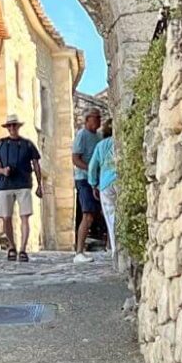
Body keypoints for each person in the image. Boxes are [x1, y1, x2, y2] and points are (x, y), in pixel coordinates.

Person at [0, 114, 43, 262]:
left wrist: (40, 185)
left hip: (23, 184)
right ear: (7, 128)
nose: (12, 128)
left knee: (25, 217)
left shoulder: (28, 144)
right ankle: (12, 247)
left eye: (14, 125)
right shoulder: (0, 144)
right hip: (5, 185)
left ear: (18, 127)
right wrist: (3, 171)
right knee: (6, 218)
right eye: (10, 126)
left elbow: (36, 165)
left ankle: (23, 249)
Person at [72, 109, 103, 264]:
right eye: (96, 118)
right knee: (87, 214)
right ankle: (78, 252)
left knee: (98, 214)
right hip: (84, 180)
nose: (99, 120)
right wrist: (90, 169)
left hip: (96, 179)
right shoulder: (82, 135)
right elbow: (75, 159)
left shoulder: (99, 137)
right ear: (87, 120)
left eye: (99, 118)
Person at [88, 120, 118, 262]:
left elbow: (92, 167)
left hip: (106, 184)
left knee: (111, 217)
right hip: (120, 180)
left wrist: (94, 184)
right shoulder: (119, 143)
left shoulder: (100, 146)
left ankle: (115, 251)